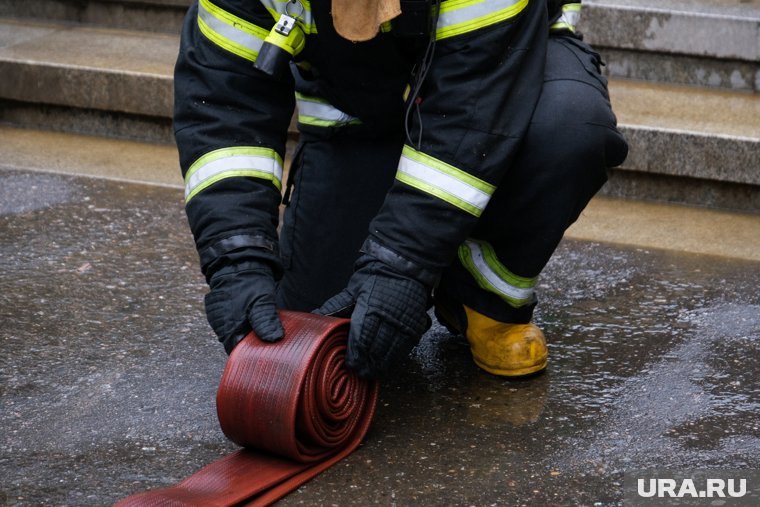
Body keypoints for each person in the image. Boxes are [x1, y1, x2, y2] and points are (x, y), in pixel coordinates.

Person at [174, 0, 628, 379]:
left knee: (569, 127)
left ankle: (482, 297)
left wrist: (400, 266)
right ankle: (421, 256)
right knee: (313, 332)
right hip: (362, 117)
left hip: (506, 77)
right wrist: (237, 259)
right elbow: (224, 105)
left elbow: (471, 115)